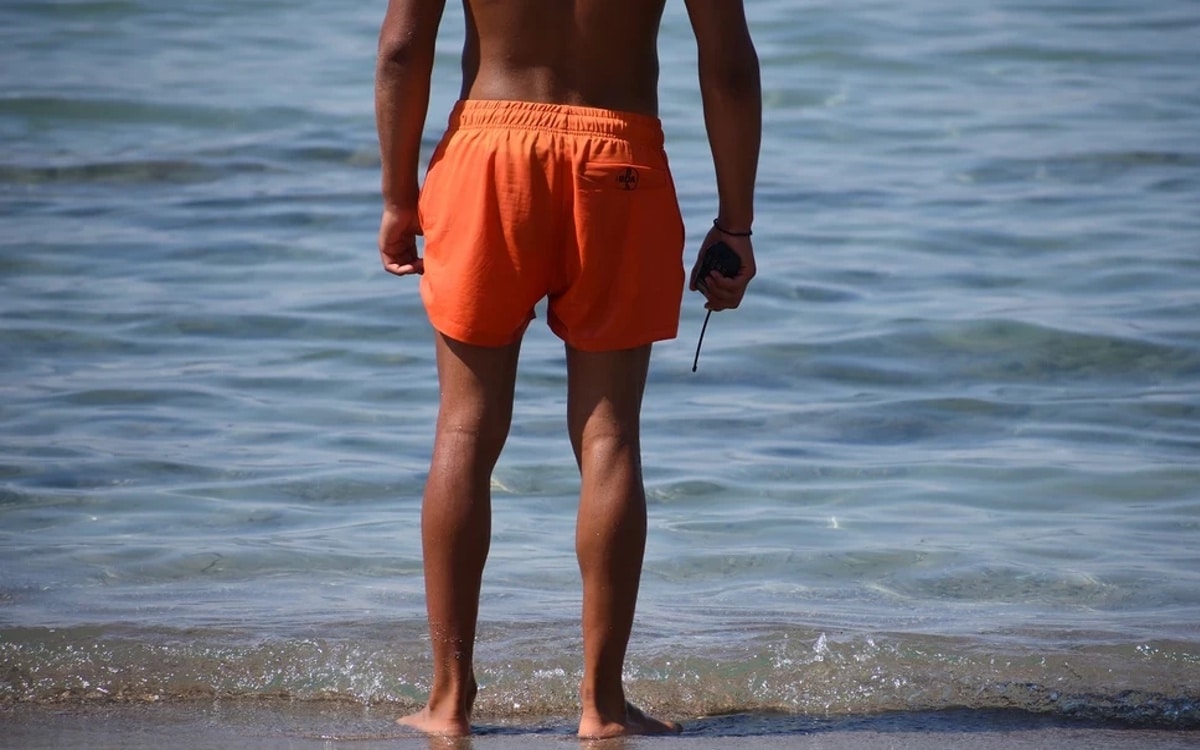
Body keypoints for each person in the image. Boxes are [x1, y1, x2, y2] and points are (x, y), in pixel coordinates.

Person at [375, 0, 760, 738]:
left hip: (486, 156)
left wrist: (397, 197)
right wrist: (735, 222)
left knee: (464, 429)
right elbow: (731, 66)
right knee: (609, 437)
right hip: (619, 159)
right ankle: (602, 707)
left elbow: (401, 49)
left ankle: (449, 701)